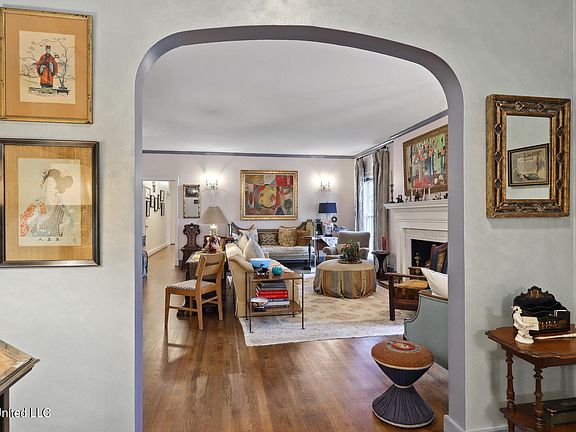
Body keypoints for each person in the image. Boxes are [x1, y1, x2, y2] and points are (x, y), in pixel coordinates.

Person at [20, 168, 74, 240]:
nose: (45, 187)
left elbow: (69, 219)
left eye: (50, 184)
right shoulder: (36, 203)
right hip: (36, 237)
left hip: (55, 237)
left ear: (57, 188)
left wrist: (63, 225)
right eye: (45, 183)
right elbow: (25, 221)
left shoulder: (62, 204)